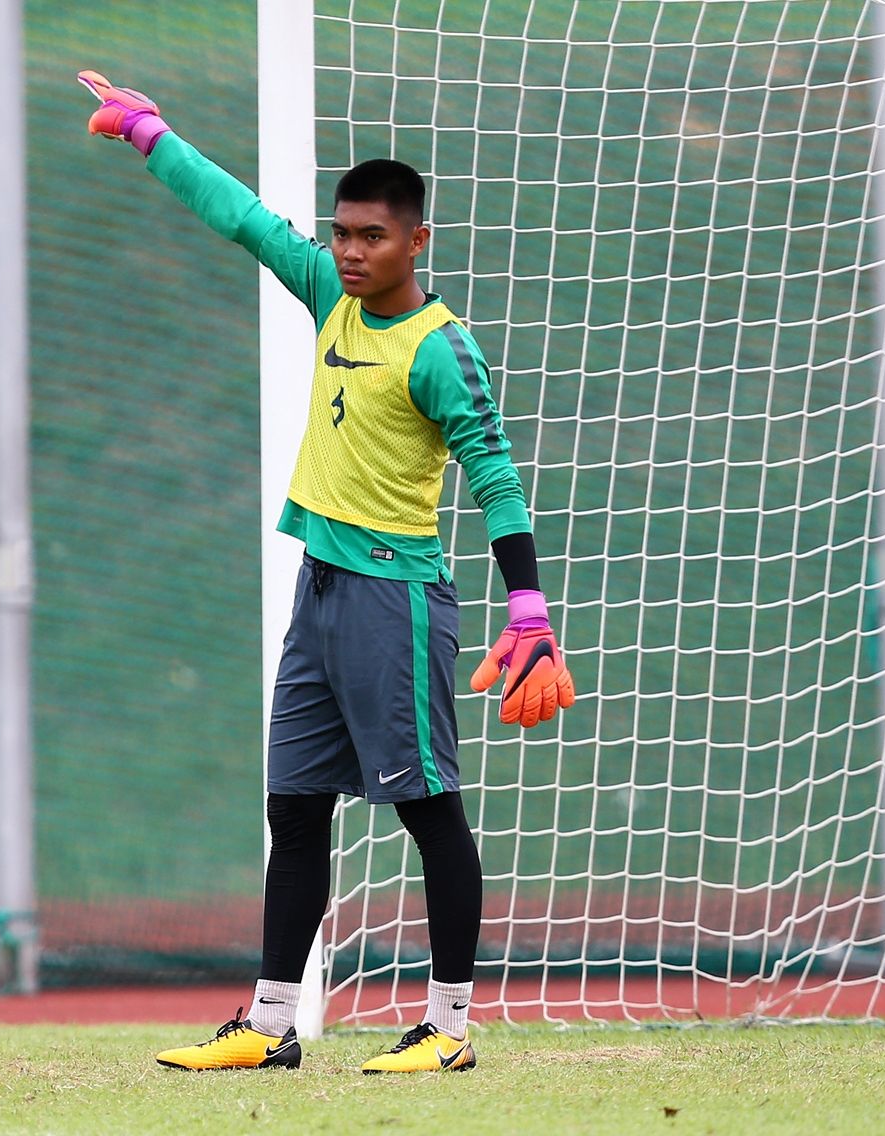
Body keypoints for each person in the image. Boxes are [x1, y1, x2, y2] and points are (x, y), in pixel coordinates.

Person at [77, 72, 575, 1073]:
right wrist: (148, 133)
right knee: (294, 804)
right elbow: (243, 219)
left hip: (393, 601)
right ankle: (268, 1025)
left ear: (415, 243)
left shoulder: (440, 349)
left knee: (428, 810)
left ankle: (448, 1027)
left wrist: (527, 603)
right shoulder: (328, 297)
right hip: (320, 593)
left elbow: (497, 475)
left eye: (371, 236)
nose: (348, 250)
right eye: (341, 232)